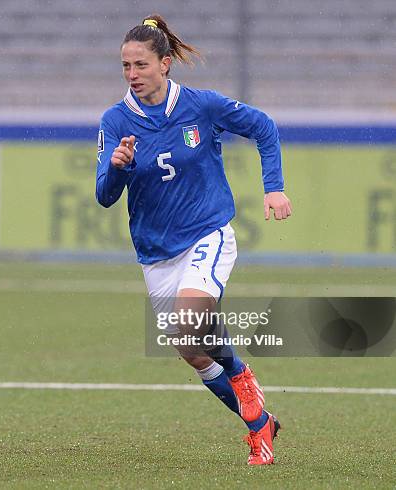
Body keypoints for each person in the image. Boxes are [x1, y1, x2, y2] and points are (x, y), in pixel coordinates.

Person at [95, 14, 292, 465]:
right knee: (191, 350)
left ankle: (241, 374)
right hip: (156, 253)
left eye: (140, 65)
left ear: (165, 64)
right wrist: (118, 166)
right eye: (125, 66)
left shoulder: (201, 106)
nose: (132, 75)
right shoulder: (113, 120)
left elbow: (263, 126)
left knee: (190, 321)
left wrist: (274, 186)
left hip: (209, 231)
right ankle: (260, 424)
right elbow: (104, 196)